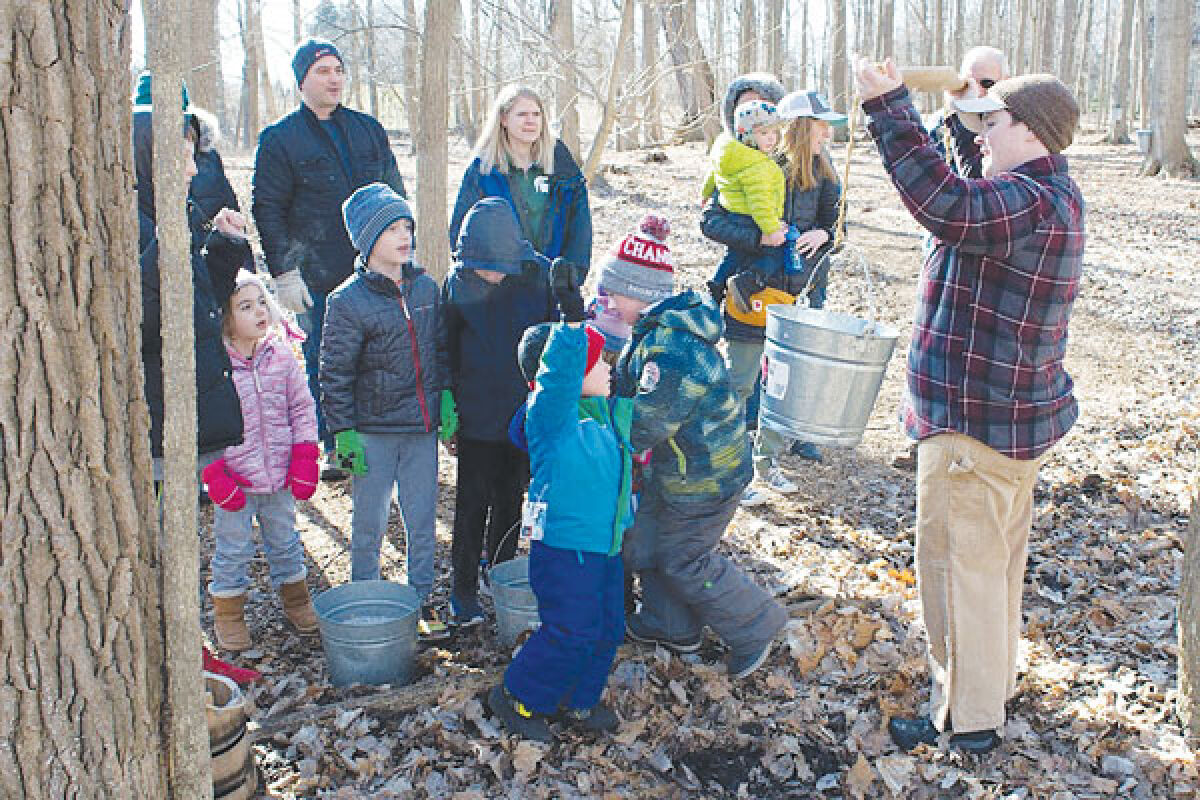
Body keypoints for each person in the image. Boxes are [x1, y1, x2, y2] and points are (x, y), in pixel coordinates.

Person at [853, 59, 1084, 754]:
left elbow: (949, 205)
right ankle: (987, 690)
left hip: (972, 430)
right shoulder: (1044, 194)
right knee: (990, 574)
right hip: (1002, 424)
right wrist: (961, 118)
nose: (983, 132)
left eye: (995, 121)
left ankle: (966, 720)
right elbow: (970, 199)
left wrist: (888, 108)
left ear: (1032, 132)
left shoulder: (1026, 202)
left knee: (957, 578)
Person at [607, 217, 788, 681]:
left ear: (639, 294)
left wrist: (599, 428)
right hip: (674, 475)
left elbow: (646, 423)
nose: (607, 303)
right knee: (645, 541)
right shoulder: (653, 335)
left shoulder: (673, 353)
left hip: (706, 479)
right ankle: (670, 625)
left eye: (614, 294)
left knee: (685, 558)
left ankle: (755, 624)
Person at [252, 38, 407, 481]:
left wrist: (400, 248)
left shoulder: (367, 129)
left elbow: (394, 191)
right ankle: (339, 447)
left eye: (338, 69)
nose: (334, 78)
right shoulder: (280, 139)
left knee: (382, 358)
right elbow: (268, 208)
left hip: (376, 271)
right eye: (322, 71)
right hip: (318, 275)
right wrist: (284, 272)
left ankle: (382, 440)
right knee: (330, 363)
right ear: (302, 80)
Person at [486, 322, 632, 742]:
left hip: (605, 546)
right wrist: (570, 326)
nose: (609, 369)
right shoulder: (551, 421)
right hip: (566, 550)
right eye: (598, 362)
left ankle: (578, 699)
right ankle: (517, 696)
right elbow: (555, 380)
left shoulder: (604, 417)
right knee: (571, 629)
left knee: (606, 628)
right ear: (569, 373)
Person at [442, 198, 583, 628]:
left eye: (497, 266)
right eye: (482, 267)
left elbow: (559, 337)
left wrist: (566, 297)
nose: (491, 275)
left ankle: (499, 571)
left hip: (524, 413)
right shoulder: (458, 283)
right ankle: (462, 590)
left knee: (511, 499)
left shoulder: (536, 274)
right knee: (471, 504)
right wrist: (447, 397)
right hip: (476, 411)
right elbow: (445, 343)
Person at [319, 183, 450, 640]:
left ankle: (422, 598)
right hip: (372, 431)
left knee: (421, 517)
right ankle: (363, 600)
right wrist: (343, 434)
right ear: (368, 238)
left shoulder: (426, 287)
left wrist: (446, 396)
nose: (403, 236)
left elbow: (440, 349)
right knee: (369, 521)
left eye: (407, 226)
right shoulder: (347, 301)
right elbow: (334, 374)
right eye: (392, 228)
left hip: (421, 428)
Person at [703, 89, 845, 501]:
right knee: (741, 381)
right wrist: (762, 238)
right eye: (822, 126)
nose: (828, 134)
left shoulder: (824, 171)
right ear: (802, 127)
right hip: (749, 291)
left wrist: (825, 235)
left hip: (793, 297)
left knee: (780, 387)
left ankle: (765, 463)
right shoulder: (756, 163)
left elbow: (837, 225)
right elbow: (711, 222)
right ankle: (725, 466)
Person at [203, 271, 320, 651]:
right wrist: (214, 473)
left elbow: (301, 408)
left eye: (260, 303)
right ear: (226, 316)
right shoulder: (216, 365)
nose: (257, 313)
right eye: (245, 306)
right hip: (234, 478)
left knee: (285, 539)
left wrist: (304, 456)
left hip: (279, 474)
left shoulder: (281, 355)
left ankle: (297, 600)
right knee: (233, 547)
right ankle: (229, 613)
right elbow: (199, 422)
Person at [448, 85, 592, 286]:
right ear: (504, 119)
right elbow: (460, 232)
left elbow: (580, 229)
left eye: (536, 114)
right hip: (499, 288)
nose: (530, 121)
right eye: (522, 114)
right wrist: (487, 280)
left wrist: (570, 278)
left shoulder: (562, 166)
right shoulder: (483, 171)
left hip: (553, 286)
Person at [701, 99, 790, 315]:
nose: (771, 139)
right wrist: (772, 230)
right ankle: (747, 283)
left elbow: (713, 173)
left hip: (732, 212)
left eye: (774, 133)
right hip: (751, 217)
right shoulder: (757, 165)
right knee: (773, 255)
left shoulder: (727, 151)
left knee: (734, 256)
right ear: (747, 134)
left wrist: (705, 194)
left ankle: (715, 286)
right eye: (763, 133)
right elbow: (760, 203)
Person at [930, 46, 1011, 178]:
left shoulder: (1015, 125)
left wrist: (964, 115)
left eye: (987, 83)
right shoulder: (939, 124)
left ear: (1006, 82)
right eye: (969, 83)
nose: (977, 92)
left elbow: (979, 184)